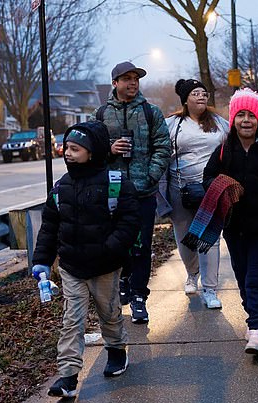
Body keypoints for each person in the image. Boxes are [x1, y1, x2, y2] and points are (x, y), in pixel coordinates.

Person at [31, 121, 140, 397]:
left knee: (109, 312)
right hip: (72, 267)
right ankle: (68, 375)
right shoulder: (61, 189)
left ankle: (116, 350)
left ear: (93, 152)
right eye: (66, 147)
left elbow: (129, 222)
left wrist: (110, 249)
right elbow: (49, 228)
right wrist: (42, 260)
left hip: (105, 265)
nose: (68, 153)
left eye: (75, 149)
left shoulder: (116, 184)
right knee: (72, 320)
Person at [203, 88, 258, 357]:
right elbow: (207, 180)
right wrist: (221, 186)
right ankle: (253, 317)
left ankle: (257, 328)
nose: (246, 120)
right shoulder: (222, 152)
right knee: (242, 275)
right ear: (233, 120)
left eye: (251, 115)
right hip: (234, 227)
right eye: (240, 115)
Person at [92, 61, 172, 324]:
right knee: (117, 246)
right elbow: (89, 151)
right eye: (126, 78)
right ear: (115, 83)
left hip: (142, 193)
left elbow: (163, 146)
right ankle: (124, 280)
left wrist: (151, 176)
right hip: (112, 193)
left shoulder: (151, 112)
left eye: (135, 78)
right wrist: (109, 150)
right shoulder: (101, 114)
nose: (132, 82)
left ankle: (139, 297)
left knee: (142, 246)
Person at [162, 78, 229, 308]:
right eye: (195, 93)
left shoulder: (220, 123)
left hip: (211, 188)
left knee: (209, 238)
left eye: (204, 93)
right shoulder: (172, 124)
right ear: (185, 100)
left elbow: (231, 149)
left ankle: (210, 289)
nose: (201, 96)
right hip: (180, 188)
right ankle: (192, 273)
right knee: (185, 238)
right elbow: (161, 153)